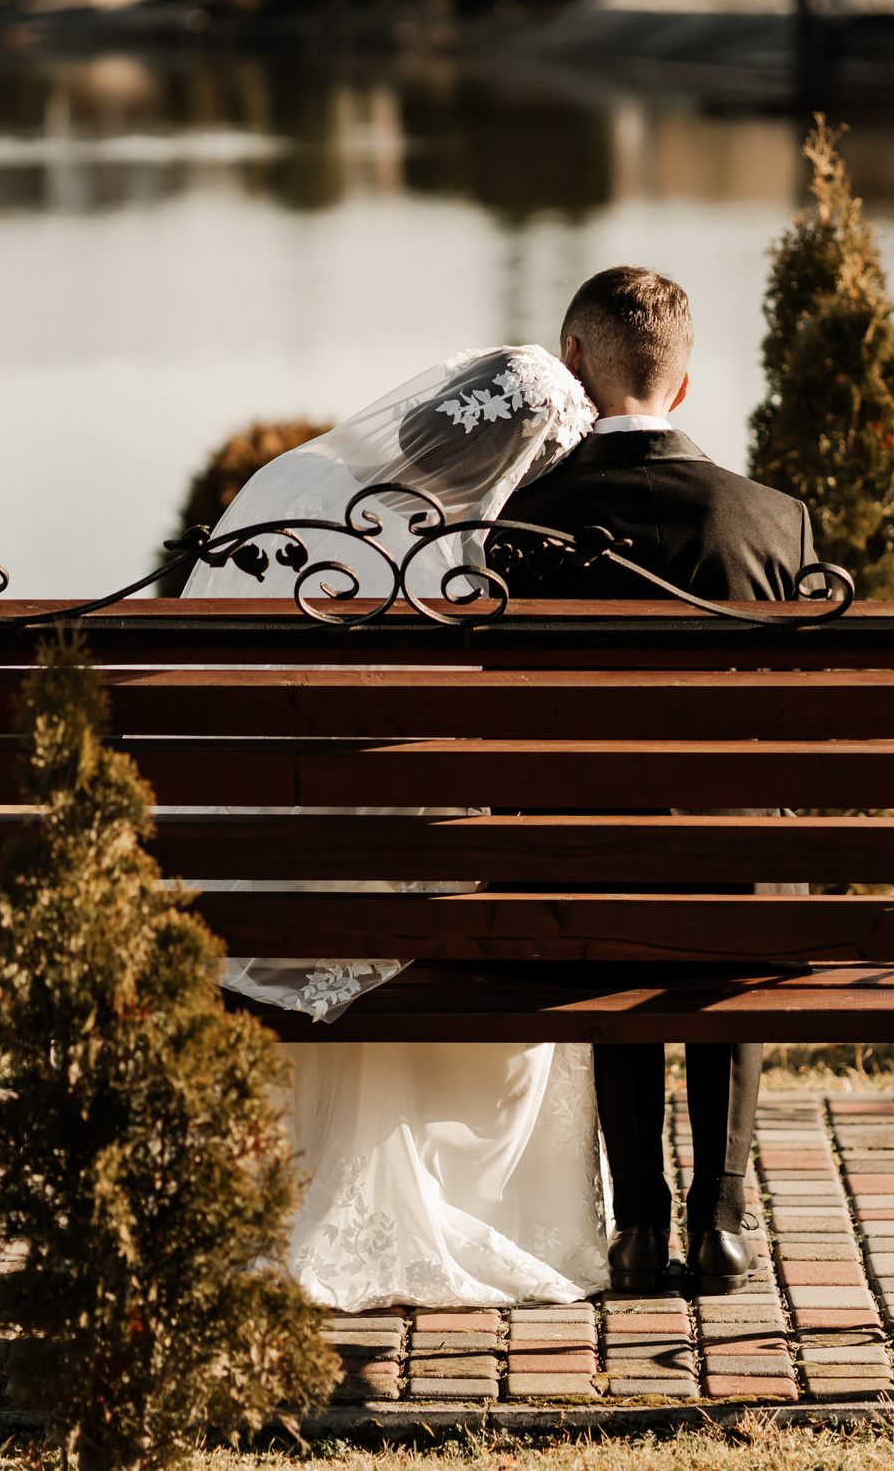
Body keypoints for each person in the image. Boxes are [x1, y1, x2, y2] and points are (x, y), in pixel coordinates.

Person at [183, 346, 611, 1311]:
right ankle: (481, 1206)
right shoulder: (449, 561)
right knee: (502, 915)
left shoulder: (295, 485)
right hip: (383, 896)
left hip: (236, 877)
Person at [495, 265, 816, 1292]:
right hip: (743, 889)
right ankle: (720, 1220)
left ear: (574, 368)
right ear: (680, 387)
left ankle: (637, 1225)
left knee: (604, 874)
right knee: (731, 869)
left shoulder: (518, 522)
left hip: (575, 892)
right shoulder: (773, 521)